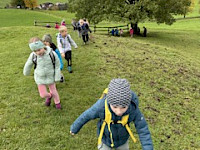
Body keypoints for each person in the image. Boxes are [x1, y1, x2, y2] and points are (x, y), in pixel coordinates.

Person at [70, 78, 154, 150]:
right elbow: (86, 116)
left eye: (124, 107)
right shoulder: (101, 107)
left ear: (128, 103)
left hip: (122, 140)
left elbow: (143, 129)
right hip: (105, 139)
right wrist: (75, 127)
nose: (119, 112)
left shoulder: (133, 109)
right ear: (109, 102)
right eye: (115, 107)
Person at [23, 37, 62, 109]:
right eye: (35, 51)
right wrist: (26, 72)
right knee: (43, 94)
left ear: (43, 46)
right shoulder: (33, 56)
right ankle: (49, 96)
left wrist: (57, 76)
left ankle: (57, 103)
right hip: (39, 77)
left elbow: (57, 65)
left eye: (39, 50)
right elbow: (28, 63)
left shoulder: (52, 54)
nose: (38, 52)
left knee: (54, 91)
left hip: (51, 75)